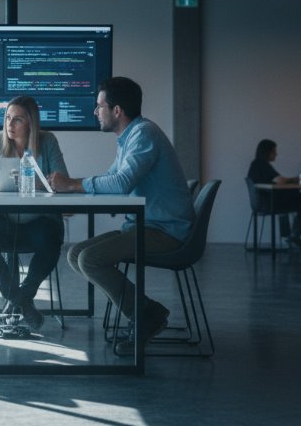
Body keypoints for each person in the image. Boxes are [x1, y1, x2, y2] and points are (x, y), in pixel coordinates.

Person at [49, 77, 194, 355]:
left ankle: (145, 315)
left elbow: (121, 183)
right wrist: (73, 189)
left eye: (99, 106)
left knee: (89, 259)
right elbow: (111, 180)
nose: (95, 112)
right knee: (76, 254)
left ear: (117, 111)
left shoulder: (144, 134)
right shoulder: (129, 138)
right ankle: (146, 311)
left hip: (165, 232)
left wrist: (73, 185)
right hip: (144, 226)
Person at [0, 96, 69, 330]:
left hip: (39, 222)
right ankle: (22, 301)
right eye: (7, 118)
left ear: (31, 123)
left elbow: (62, 180)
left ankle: (21, 297)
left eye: (17, 119)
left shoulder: (47, 141)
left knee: (51, 239)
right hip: (2, 220)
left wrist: (42, 183)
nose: (10, 124)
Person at [247, 139, 301, 248]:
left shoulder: (256, 164)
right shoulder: (262, 164)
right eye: (274, 151)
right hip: (268, 203)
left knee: (294, 195)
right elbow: (280, 180)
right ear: (267, 152)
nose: (276, 154)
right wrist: (297, 179)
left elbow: (277, 181)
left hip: (260, 203)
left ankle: (288, 236)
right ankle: (294, 235)